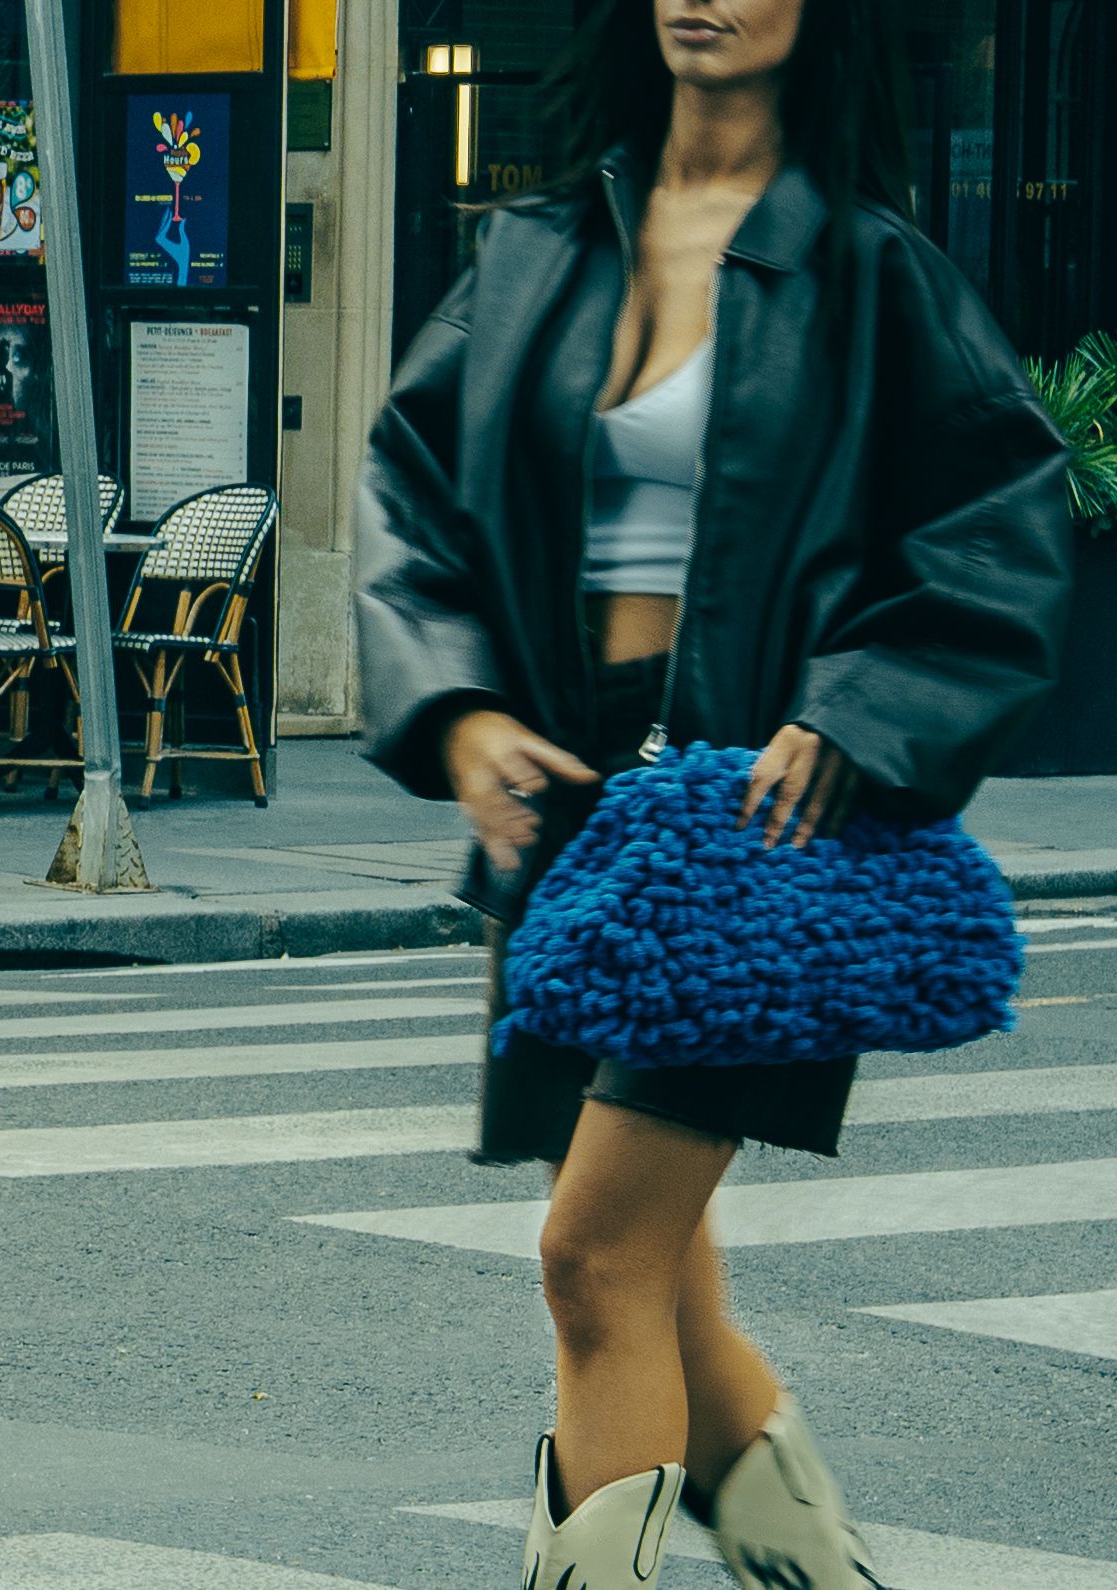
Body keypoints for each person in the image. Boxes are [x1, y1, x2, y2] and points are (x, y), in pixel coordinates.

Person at [354, 1, 1074, 1585]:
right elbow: (411, 480)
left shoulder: (872, 271)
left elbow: (1006, 530)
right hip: (573, 818)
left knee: (592, 1257)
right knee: (665, 1282)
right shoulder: (542, 251)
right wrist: (458, 707)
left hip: (757, 838)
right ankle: (827, 1569)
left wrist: (868, 705)